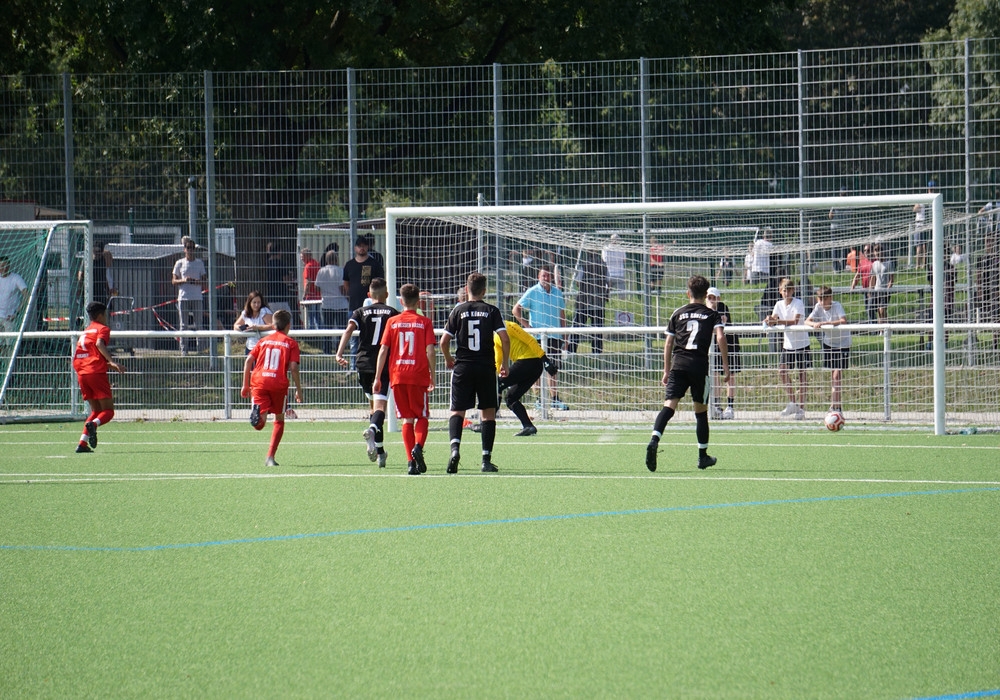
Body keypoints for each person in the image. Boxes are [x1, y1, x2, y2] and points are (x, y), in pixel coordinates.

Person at [645, 275, 728, 472]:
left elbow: (668, 343)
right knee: (701, 412)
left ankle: (654, 439)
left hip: (679, 365)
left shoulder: (678, 313)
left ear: (687, 293)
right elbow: (720, 337)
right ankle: (702, 456)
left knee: (669, 406)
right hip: (699, 366)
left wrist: (666, 370)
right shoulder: (712, 314)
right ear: (706, 295)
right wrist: (726, 366)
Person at [440, 272, 510, 474]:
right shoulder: (491, 310)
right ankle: (486, 460)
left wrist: (448, 359)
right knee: (488, 413)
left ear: (467, 289)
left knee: (457, 411)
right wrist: (505, 363)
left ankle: (455, 450)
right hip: (485, 367)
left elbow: (443, 341)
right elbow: (505, 339)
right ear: (484, 291)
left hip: (463, 367)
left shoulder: (458, 310)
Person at [336, 277, 399, 467]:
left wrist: (339, 353)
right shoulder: (392, 313)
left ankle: (380, 452)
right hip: (382, 365)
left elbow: (348, 330)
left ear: (369, 295)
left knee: (373, 409)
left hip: (363, 364)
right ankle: (372, 431)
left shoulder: (360, 311)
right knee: (380, 409)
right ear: (387, 295)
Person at [373, 283, 435, 476]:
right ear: (418, 301)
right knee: (422, 416)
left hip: (397, 375)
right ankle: (418, 446)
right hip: (418, 374)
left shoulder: (392, 322)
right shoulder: (424, 322)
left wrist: (377, 377)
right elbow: (430, 350)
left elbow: (383, 350)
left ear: (401, 301)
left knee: (407, 419)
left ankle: (410, 463)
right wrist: (432, 374)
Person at [241, 308, 302, 467]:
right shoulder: (291, 343)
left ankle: (257, 415)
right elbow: (293, 367)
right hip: (278, 384)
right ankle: (270, 457)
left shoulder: (263, 341)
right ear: (288, 325)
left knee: (260, 425)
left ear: (273, 325)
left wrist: (245, 385)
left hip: (259, 381)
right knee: (279, 419)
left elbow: (248, 361)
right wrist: (298, 389)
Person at [72, 301, 125, 453]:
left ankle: (82, 444)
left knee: (96, 411)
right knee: (108, 411)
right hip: (95, 373)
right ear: (101, 315)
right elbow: (100, 344)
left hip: (82, 373)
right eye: (106, 315)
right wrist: (112, 361)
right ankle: (94, 425)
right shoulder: (102, 329)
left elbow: (90, 356)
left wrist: (108, 365)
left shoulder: (86, 331)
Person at [512, 266, 568, 409]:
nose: (546, 278)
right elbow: (515, 310)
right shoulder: (532, 292)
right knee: (535, 370)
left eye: (548, 275)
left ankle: (554, 399)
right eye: (543, 276)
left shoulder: (558, 293)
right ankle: (538, 400)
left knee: (553, 369)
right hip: (536, 338)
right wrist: (527, 326)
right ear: (538, 277)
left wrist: (565, 336)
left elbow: (562, 316)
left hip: (554, 336)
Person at [496, 320, 556, 437]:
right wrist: (497, 375)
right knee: (510, 398)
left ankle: (488, 421)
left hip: (529, 362)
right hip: (530, 367)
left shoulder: (509, 326)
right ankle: (528, 426)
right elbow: (498, 361)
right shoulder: (494, 337)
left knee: (496, 384)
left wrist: (545, 359)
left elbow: (529, 340)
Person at [766, 277, 810, 419]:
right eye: (784, 290)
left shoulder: (798, 303)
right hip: (788, 345)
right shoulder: (778, 304)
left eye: (789, 290)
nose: (787, 293)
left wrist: (776, 321)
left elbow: (795, 321)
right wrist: (769, 320)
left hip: (802, 343)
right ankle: (793, 402)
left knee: (802, 374)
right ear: (780, 291)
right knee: (782, 371)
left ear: (793, 290)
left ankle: (801, 408)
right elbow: (773, 318)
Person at [805, 286, 850, 415]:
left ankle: (836, 406)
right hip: (828, 343)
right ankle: (834, 405)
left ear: (831, 298)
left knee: (837, 375)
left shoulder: (837, 305)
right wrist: (814, 324)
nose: (822, 302)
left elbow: (843, 320)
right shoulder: (818, 307)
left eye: (825, 299)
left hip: (842, 343)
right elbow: (807, 321)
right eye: (820, 299)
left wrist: (827, 323)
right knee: (833, 375)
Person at [343, 236, 386, 366]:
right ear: (355, 247)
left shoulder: (374, 264)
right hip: (354, 306)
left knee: (371, 335)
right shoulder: (349, 265)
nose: (361, 248)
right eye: (359, 246)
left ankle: (373, 363)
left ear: (368, 247)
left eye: (364, 245)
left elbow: (381, 283)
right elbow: (346, 284)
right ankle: (353, 365)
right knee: (353, 337)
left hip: (371, 307)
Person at [705, 286, 738, 420]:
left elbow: (720, 324)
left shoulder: (723, 307)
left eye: (714, 297)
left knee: (730, 375)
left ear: (718, 298)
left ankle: (730, 406)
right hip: (713, 346)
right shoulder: (703, 309)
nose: (711, 300)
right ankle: (716, 406)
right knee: (715, 375)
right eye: (709, 297)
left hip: (728, 344)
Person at [568, 248, 609, 354]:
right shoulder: (603, 265)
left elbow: (578, 281)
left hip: (584, 303)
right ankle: (597, 352)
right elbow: (608, 282)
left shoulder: (584, 265)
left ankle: (571, 351)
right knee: (597, 329)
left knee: (577, 328)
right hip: (598, 303)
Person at [171, 237, 206, 355]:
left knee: (199, 324)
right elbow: (174, 281)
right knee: (183, 325)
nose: (190, 250)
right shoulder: (179, 263)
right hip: (183, 297)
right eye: (188, 248)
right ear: (184, 249)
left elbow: (204, 280)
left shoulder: (199, 263)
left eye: (192, 248)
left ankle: (200, 350)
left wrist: (196, 281)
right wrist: (184, 280)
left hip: (197, 297)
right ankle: (184, 351)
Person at [314, 249, 349, 354]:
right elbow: (342, 288)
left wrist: (326, 290)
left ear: (326, 260)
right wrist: (348, 297)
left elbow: (317, 287)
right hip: (340, 304)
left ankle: (327, 350)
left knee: (327, 329)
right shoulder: (340, 271)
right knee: (341, 329)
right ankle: (340, 349)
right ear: (336, 259)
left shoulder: (321, 271)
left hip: (326, 304)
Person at [233, 290, 274, 355]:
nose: (257, 305)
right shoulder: (245, 312)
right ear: (250, 303)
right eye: (254, 302)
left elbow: (272, 326)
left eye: (259, 302)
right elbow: (235, 326)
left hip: (264, 347)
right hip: (250, 347)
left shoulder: (264, 311)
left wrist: (257, 327)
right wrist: (244, 327)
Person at [0, 256, 28, 335]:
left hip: (9, 317)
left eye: (6, 266)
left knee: (10, 341)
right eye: (2, 266)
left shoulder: (16, 278)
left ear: (9, 266)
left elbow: (26, 295)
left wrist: (17, 313)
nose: (4, 268)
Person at [264, 241, 294, 313]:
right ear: (279, 252)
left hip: (270, 297)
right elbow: (286, 280)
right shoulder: (281, 264)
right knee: (286, 317)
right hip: (281, 297)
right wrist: (290, 276)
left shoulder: (266, 264)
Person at [913, 180, 936, 270]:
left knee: (922, 245)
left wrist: (918, 207)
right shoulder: (929, 198)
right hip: (924, 223)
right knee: (922, 245)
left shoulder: (927, 198)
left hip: (923, 223)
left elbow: (915, 209)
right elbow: (916, 209)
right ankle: (921, 264)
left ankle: (920, 265)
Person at [849, 244, 874, 322]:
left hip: (873, 290)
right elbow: (858, 275)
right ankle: (873, 325)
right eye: (865, 250)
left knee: (871, 309)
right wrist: (853, 286)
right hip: (865, 289)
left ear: (872, 251)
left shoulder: (875, 262)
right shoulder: (862, 262)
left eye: (868, 250)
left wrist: (871, 289)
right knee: (867, 309)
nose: (866, 252)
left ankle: (874, 326)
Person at [299, 247, 322, 331]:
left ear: (308, 256)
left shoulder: (308, 266)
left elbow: (308, 282)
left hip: (310, 296)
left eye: (303, 257)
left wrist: (304, 296)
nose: (301, 259)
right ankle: (322, 334)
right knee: (317, 317)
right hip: (317, 295)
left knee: (310, 318)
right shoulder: (316, 264)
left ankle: (311, 336)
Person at [869, 244, 892, 323]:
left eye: (878, 251)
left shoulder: (888, 263)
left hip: (884, 290)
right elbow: (873, 278)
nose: (877, 253)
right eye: (875, 251)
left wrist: (888, 289)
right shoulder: (874, 264)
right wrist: (870, 290)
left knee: (882, 310)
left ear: (882, 252)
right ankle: (881, 328)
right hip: (876, 290)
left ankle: (885, 326)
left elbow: (891, 279)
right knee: (879, 311)